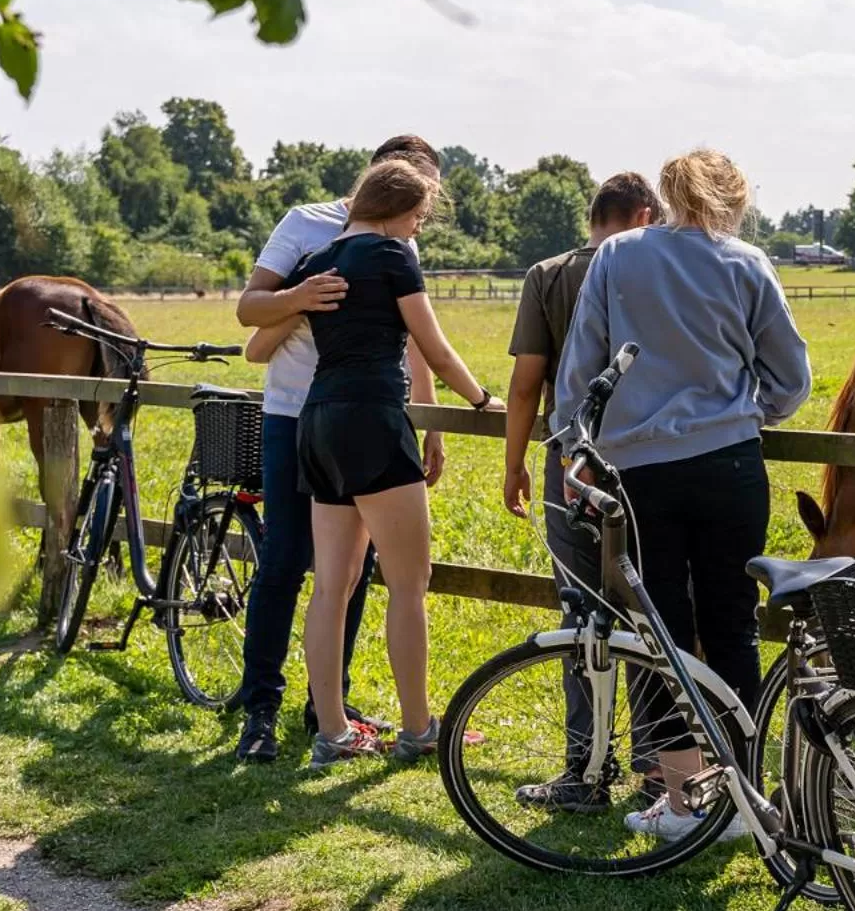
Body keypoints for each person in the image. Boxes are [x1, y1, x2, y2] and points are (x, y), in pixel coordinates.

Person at [551, 149, 812, 839]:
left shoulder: (618, 257)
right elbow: (790, 378)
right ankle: (744, 794)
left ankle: (681, 795)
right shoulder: (747, 262)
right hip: (730, 464)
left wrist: (573, 445)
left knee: (657, 634)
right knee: (733, 625)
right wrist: (747, 409)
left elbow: (582, 362)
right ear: (733, 199)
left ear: (666, 196)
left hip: (641, 473)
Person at [246, 158, 501, 768]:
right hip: (372, 420)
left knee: (332, 585)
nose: (416, 231)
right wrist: (481, 400)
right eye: (417, 219)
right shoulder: (393, 256)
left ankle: (331, 731)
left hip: (315, 422)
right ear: (397, 211)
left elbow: (257, 340)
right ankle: (419, 728)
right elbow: (431, 346)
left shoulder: (313, 265)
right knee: (411, 583)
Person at [503, 172, 665, 812]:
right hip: (651, 458)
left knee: (581, 609)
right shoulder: (657, 267)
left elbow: (525, 385)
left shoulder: (548, 275)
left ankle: (584, 766)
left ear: (594, 215)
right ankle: (659, 767)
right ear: (644, 214)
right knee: (650, 606)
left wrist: (513, 463)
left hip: (570, 460)